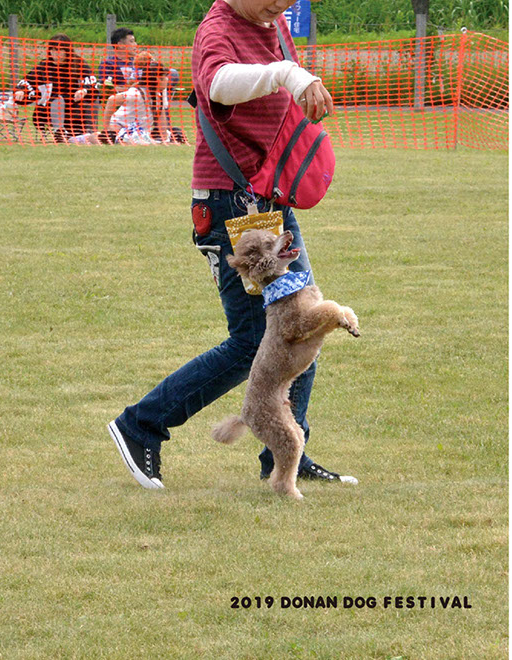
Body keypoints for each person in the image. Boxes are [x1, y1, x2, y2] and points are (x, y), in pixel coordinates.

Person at [107, 0, 353, 489]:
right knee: (254, 341)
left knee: (303, 325)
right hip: (231, 203)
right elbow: (218, 83)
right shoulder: (218, 27)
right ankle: (141, 424)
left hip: (266, 198)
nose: (282, 5)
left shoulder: (271, 20)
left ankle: (286, 451)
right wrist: (287, 72)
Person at [14, 34, 96, 141]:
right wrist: (21, 90)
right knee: (58, 100)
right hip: (47, 110)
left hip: (73, 107)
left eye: (61, 50)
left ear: (67, 51)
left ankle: (87, 132)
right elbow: (27, 82)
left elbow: (91, 81)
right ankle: (59, 132)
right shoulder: (43, 67)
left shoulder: (78, 64)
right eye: (54, 49)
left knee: (88, 102)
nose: (57, 53)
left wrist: (84, 90)